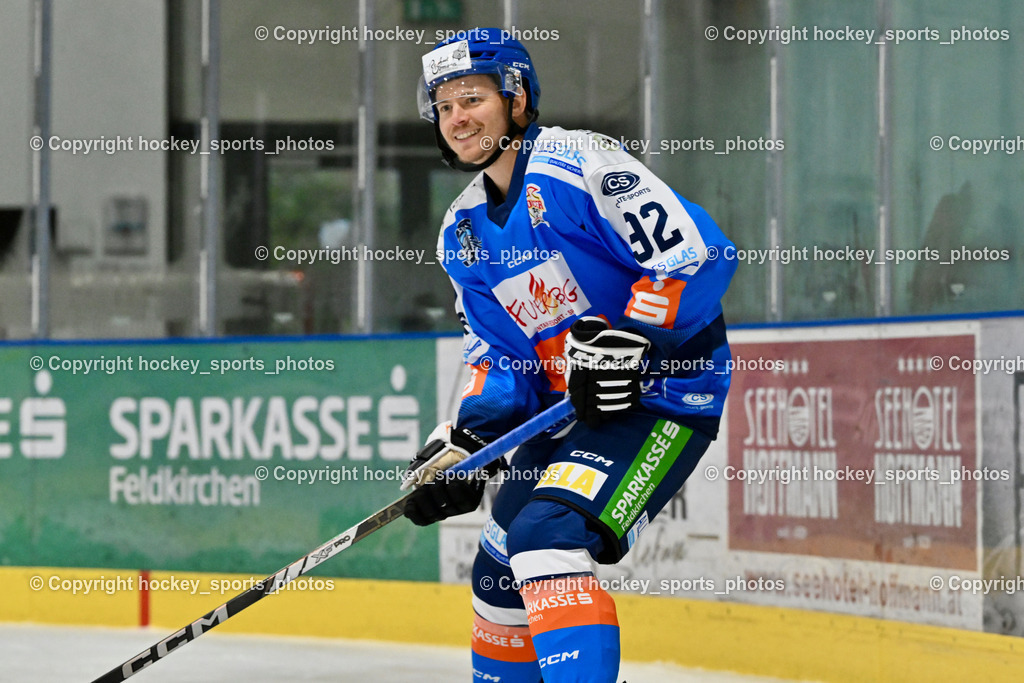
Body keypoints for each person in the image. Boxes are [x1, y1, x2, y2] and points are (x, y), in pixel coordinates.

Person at [401, 28, 737, 683]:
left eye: (472, 98)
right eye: (444, 107)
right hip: (566, 414)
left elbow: (695, 252)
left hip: (661, 399)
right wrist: (467, 441)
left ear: (517, 99)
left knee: (544, 535)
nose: (458, 118)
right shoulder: (463, 233)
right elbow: (500, 353)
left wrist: (636, 343)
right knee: (498, 573)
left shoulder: (577, 165)